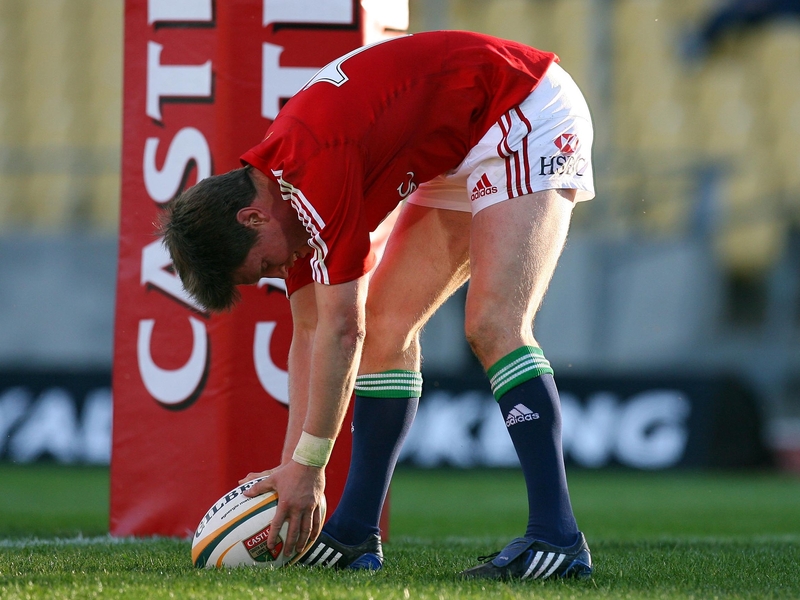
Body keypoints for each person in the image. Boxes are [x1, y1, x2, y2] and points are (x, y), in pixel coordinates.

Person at [162, 30, 594, 580]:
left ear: (251, 218)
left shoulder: (314, 173)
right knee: (390, 332)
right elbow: (308, 332)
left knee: (493, 323)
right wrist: (293, 469)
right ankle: (353, 534)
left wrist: (312, 468)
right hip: (460, 137)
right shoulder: (281, 198)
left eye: (265, 268)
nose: (278, 273)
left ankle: (556, 538)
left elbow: (344, 330)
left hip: (523, 104)